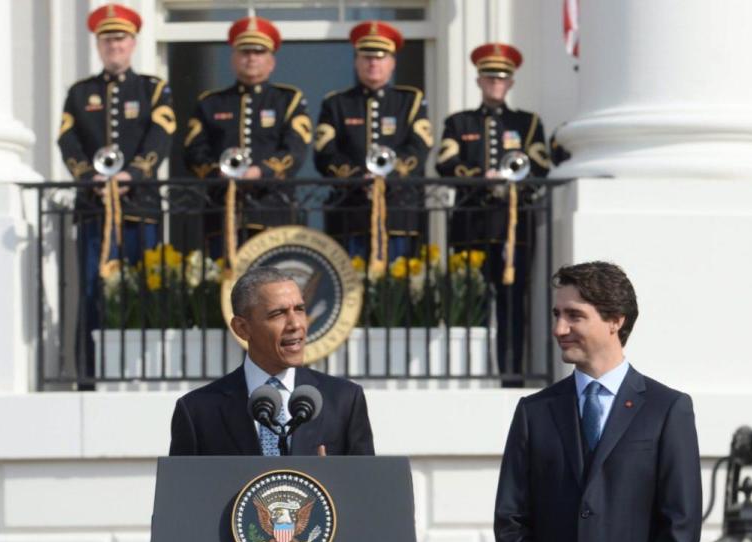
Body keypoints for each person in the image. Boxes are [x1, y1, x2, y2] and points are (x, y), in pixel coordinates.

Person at [494, 261, 702, 542]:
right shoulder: (533, 413)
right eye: (557, 315)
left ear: (615, 321)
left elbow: (681, 528)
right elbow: (510, 525)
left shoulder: (667, 409)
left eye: (575, 316)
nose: (559, 329)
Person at [57, 3, 175, 381]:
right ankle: (90, 376)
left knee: (144, 290)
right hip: (95, 210)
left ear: (133, 43)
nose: (114, 45)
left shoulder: (153, 89)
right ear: (98, 44)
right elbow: (67, 139)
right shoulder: (80, 93)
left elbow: (162, 133)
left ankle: (145, 373)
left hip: (140, 210)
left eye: (120, 38)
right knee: (93, 292)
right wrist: (86, 174)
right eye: (107, 39)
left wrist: (136, 173)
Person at [435, 43, 550, 381]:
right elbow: (445, 162)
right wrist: (478, 179)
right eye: (489, 78)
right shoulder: (459, 123)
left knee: (513, 303)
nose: (495, 83)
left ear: (510, 83)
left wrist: (514, 182)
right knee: (470, 302)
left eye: (501, 78)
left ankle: (510, 374)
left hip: (513, 228)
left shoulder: (527, 124)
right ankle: (472, 373)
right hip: (471, 224)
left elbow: (541, 166)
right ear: (479, 81)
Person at [169, 267, 374, 456]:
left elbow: (367, 489)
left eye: (300, 309)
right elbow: (180, 493)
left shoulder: (344, 400)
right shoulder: (197, 411)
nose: (295, 324)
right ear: (242, 328)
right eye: (278, 314)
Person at [184, 17, 312, 256]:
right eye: (244, 51)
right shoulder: (210, 103)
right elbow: (193, 153)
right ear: (233, 59)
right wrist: (217, 171)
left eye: (259, 52)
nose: (251, 58)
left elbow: (295, 150)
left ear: (271, 61)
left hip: (273, 209)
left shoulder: (288, 100)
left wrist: (260, 172)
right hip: (223, 210)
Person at [314, 20, 432, 261]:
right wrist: (359, 176)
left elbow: (419, 148)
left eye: (380, 57)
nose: (373, 63)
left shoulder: (410, 101)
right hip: (350, 212)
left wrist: (389, 174)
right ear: (356, 62)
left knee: (398, 290)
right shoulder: (336, 104)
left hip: (399, 212)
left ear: (392, 63)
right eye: (366, 57)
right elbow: (325, 153)